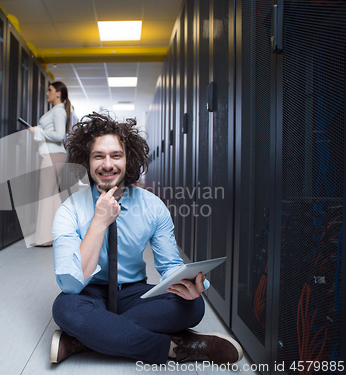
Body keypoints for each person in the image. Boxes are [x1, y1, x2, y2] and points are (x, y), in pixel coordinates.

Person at [49, 112, 243, 365]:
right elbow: (71, 285)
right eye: (99, 156)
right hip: (89, 292)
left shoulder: (153, 206)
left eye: (116, 156)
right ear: (86, 162)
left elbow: (170, 266)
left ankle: (82, 340)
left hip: (133, 292)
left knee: (192, 306)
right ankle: (177, 348)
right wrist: (99, 221)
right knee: (65, 308)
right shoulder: (69, 210)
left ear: (128, 160)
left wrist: (191, 285)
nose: (107, 164)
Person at [28, 81, 71, 247]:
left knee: (45, 194)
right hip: (55, 155)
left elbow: (60, 135)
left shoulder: (58, 111)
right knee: (52, 195)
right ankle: (58, 235)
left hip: (52, 154)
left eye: (50, 90)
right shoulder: (56, 110)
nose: (47, 93)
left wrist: (37, 131)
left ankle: (45, 238)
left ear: (58, 93)